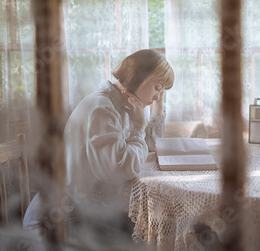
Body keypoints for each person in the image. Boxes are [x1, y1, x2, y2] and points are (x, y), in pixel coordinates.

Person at [23, 49, 174, 247]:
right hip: (55, 222)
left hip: (80, 210)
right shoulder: (102, 108)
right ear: (141, 77)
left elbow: (151, 146)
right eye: (157, 88)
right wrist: (139, 129)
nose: (157, 96)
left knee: (149, 231)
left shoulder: (123, 103)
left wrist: (155, 108)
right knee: (147, 236)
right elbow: (120, 169)